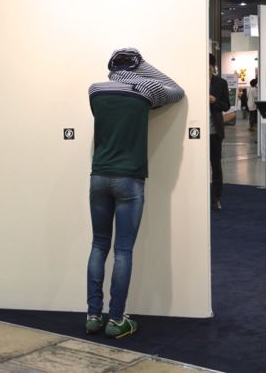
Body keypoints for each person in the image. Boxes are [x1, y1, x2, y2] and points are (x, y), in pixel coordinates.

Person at [85, 48, 184, 338]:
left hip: (99, 176)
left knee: (98, 246)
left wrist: (123, 71)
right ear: (138, 67)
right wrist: (143, 66)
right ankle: (116, 320)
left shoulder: (95, 91)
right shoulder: (145, 91)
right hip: (129, 179)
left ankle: (93, 316)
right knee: (123, 251)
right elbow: (177, 91)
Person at [209, 54, 231, 211]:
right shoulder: (195, 81)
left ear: (212, 66)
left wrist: (215, 101)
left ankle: (216, 198)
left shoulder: (221, 83)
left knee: (216, 165)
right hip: (196, 133)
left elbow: (226, 105)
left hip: (214, 131)